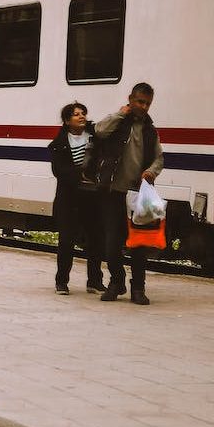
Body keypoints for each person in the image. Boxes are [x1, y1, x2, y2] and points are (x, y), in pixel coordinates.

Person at [90, 83, 164, 306]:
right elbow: (99, 130)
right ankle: (116, 281)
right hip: (113, 191)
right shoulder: (119, 123)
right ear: (130, 99)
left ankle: (138, 288)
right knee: (112, 243)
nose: (143, 106)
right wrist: (120, 114)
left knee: (139, 244)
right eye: (140, 101)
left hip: (138, 194)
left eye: (147, 103)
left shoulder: (151, 131)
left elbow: (159, 158)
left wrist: (151, 172)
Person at [48, 102, 104, 295]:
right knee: (66, 241)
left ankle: (94, 281)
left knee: (96, 239)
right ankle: (61, 281)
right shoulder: (59, 143)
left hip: (92, 196)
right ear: (66, 120)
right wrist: (79, 174)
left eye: (83, 113)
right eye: (76, 114)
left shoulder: (95, 137)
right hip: (69, 197)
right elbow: (58, 170)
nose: (81, 117)